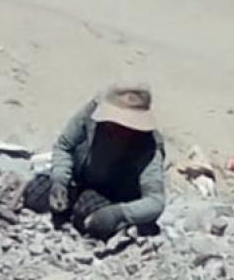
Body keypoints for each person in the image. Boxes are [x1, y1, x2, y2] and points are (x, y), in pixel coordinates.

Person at [23, 83, 167, 240]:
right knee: (36, 193)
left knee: (90, 216)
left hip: (111, 195)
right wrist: (60, 181)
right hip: (78, 179)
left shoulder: (149, 145)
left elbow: (155, 201)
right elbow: (64, 146)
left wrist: (118, 214)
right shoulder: (90, 115)